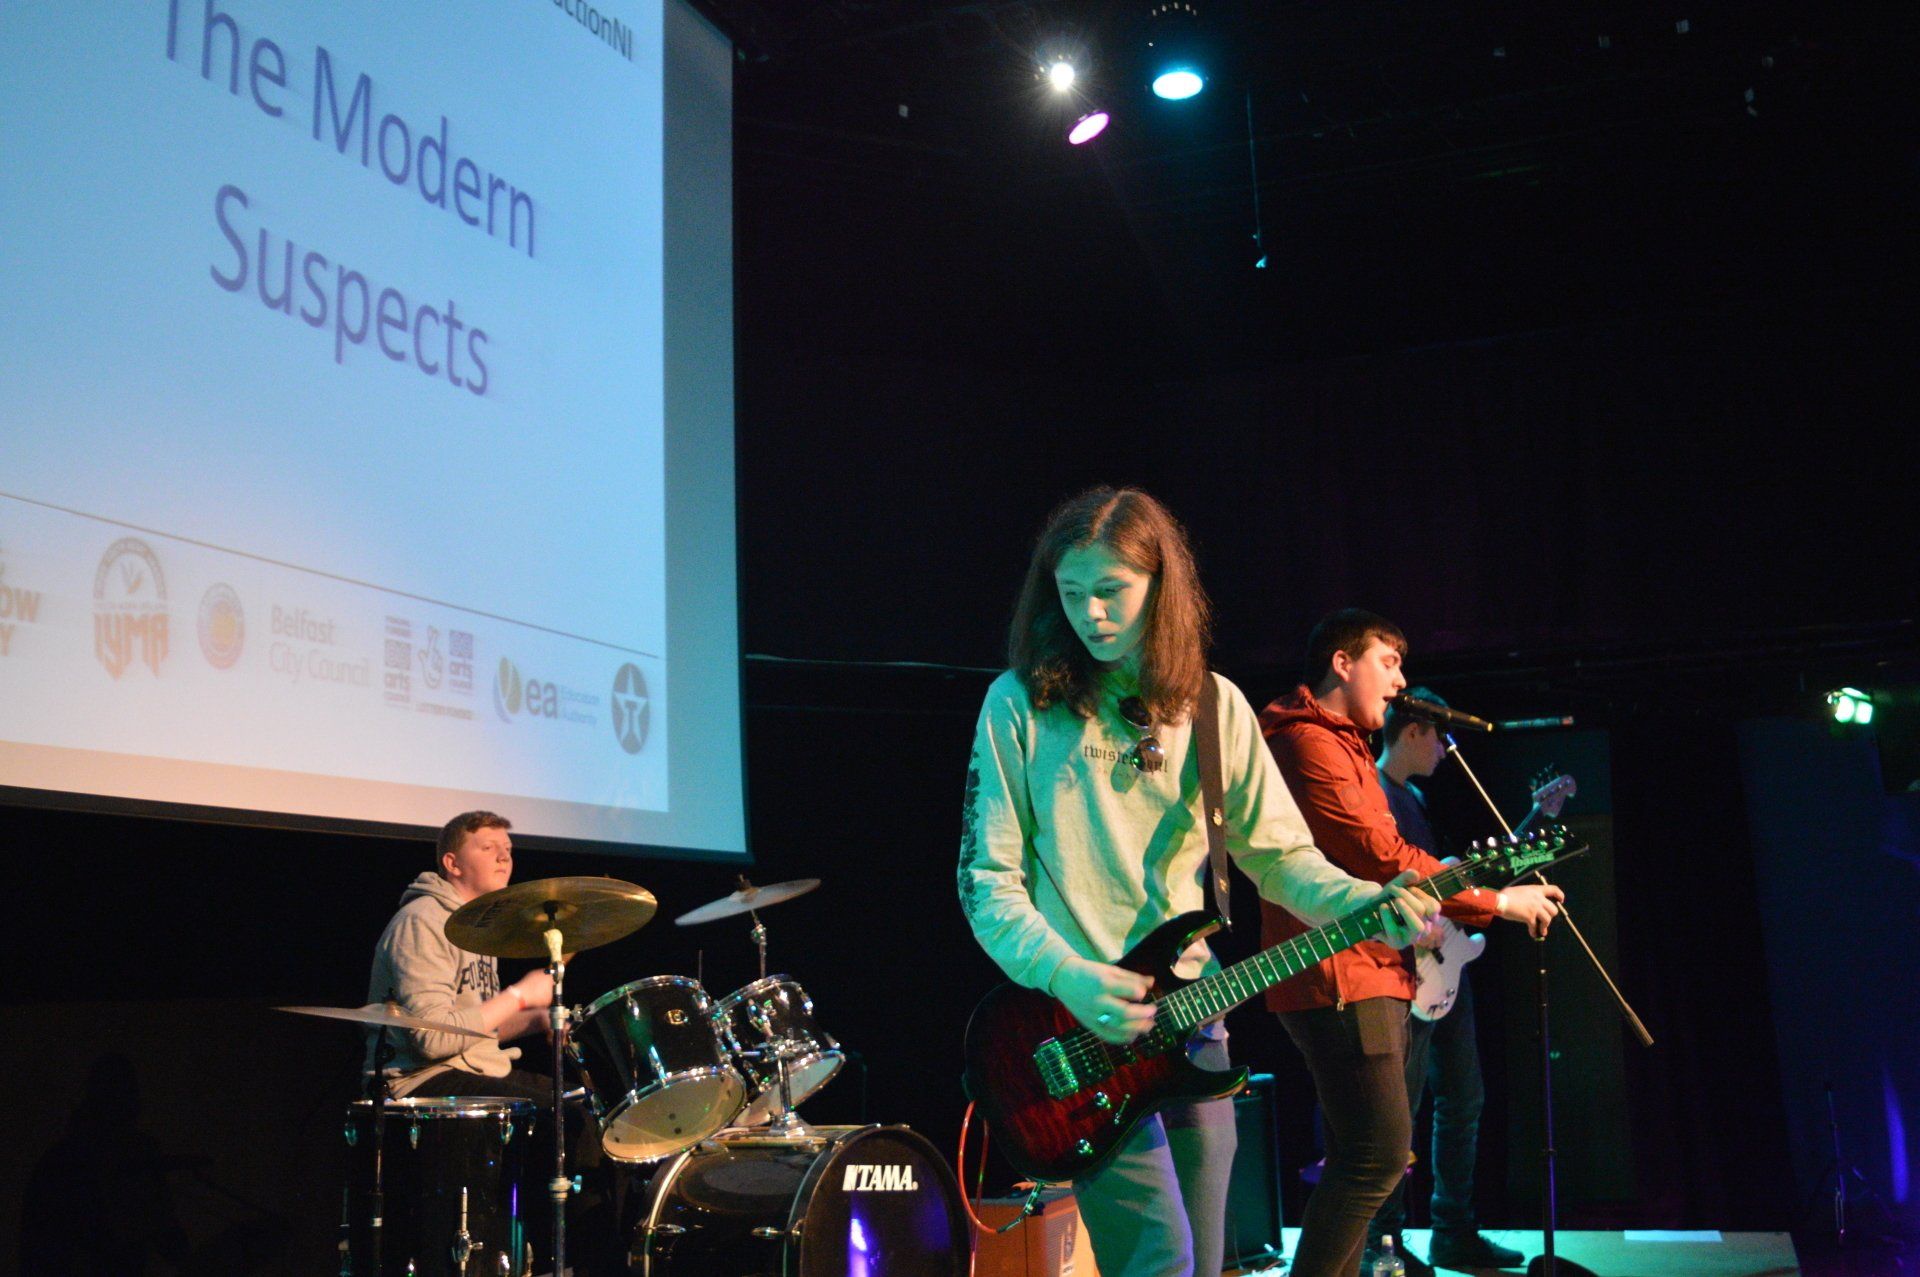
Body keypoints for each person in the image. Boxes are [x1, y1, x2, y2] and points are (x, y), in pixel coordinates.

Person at [957, 489, 1441, 1277]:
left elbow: (1281, 859)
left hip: (1193, 1020)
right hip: (1077, 1027)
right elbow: (987, 883)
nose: (1090, 613)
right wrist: (1068, 974)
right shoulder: (1019, 703)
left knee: (1204, 1261)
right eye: (1070, 593)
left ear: (1161, 585)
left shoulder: (1215, 706)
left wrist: (1364, 899)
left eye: (1110, 590)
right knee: (1161, 1259)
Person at [1260, 610, 1563, 1277]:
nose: (1400, 681)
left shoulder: (1343, 744)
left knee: (1364, 1157)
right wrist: (1495, 901)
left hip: (1370, 969)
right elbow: (1379, 855)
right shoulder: (1308, 741)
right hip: (1342, 972)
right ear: (1343, 663)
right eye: (1389, 662)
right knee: (1375, 1156)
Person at [1370, 691, 1527, 1271]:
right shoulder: (1373, 793)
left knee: (1463, 1099)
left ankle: (1453, 1230)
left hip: (1442, 971)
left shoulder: (1413, 797)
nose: (1445, 750)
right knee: (1400, 1113)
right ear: (1413, 732)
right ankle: (1384, 1243)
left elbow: (1433, 884)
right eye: (1439, 737)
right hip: (1400, 976)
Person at [364, 810, 556, 1099]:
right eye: (488, 848)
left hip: (476, 1069)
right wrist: (519, 996)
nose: (504, 857)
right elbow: (434, 1038)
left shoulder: (477, 927)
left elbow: (471, 1029)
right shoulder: (423, 921)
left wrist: (538, 1018)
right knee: (565, 1114)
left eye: (508, 849)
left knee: (584, 1103)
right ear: (452, 864)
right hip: (420, 1081)